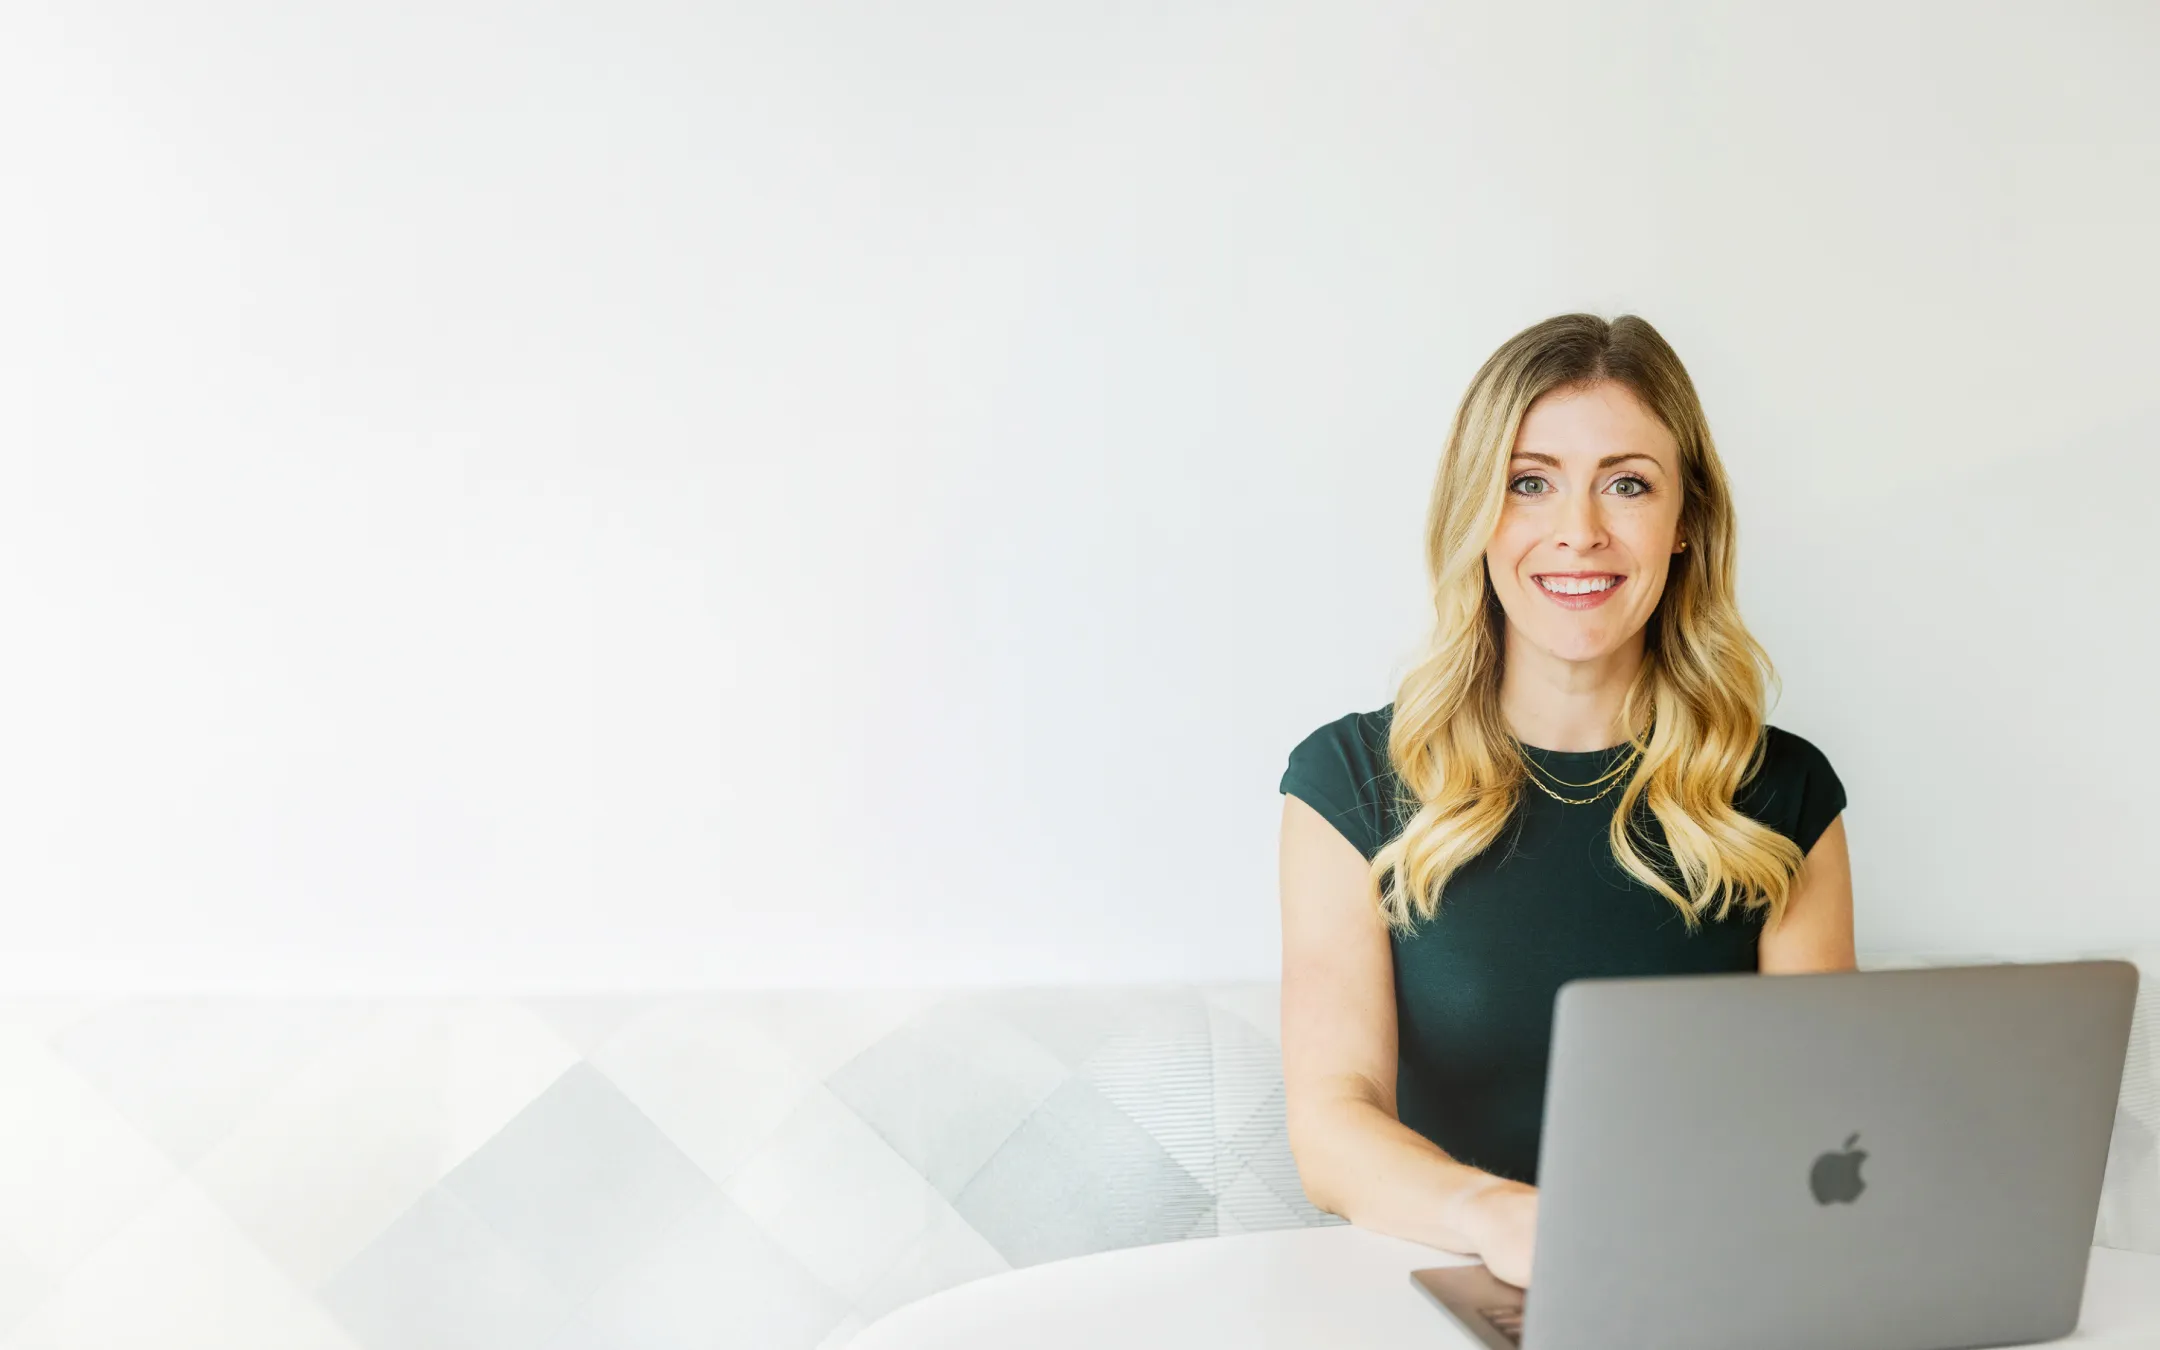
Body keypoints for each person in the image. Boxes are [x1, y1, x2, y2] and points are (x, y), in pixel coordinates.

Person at [1275, 312, 1854, 1291]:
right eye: (1528, 483)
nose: (1578, 532)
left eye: (1627, 484)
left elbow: (1832, 1120)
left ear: (1685, 527)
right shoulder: (1350, 782)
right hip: (1452, 1286)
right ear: (1477, 516)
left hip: (1712, 1291)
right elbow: (1332, 1126)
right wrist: (1497, 1216)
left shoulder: (1782, 793)